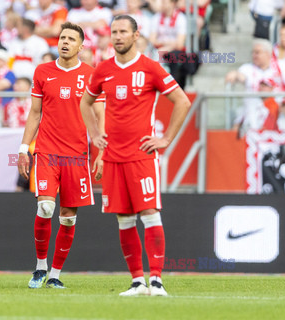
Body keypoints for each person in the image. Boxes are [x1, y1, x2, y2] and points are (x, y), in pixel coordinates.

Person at [80, 15, 191, 296]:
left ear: (136, 35)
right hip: (113, 156)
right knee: (124, 218)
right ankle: (137, 281)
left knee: (150, 213)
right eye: (114, 32)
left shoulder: (150, 68)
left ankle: (156, 280)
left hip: (141, 155)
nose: (117, 36)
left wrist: (165, 139)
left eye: (123, 32)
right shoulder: (103, 69)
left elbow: (182, 101)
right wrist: (95, 135)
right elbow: (86, 102)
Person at [18, 22, 104, 289]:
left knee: (68, 216)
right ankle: (39, 268)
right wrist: (23, 149)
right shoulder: (43, 71)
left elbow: (100, 116)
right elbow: (35, 113)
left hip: (77, 155)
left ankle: (55, 273)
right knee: (45, 207)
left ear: (81, 45)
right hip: (47, 151)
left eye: (71, 39)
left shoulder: (92, 74)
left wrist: (101, 153)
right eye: (62, 38)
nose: (65, 42)